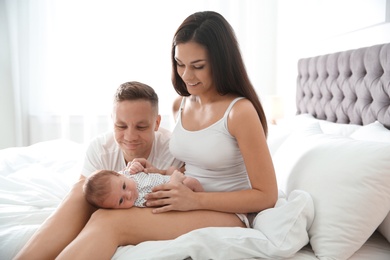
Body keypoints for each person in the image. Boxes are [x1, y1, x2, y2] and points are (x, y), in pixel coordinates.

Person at [29, 11, 278, 259]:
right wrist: (160, 174)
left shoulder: (240, 112)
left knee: (110, 222)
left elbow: (266, 195)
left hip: (228, 214)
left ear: (221, 62)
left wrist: (195, 200)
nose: (187, 76)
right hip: (183, 196)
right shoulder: (181, 104)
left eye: (198, 66)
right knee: (84, 190)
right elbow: (194, 165)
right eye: (180, 64)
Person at [14, 81, 183, 260]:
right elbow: (86, 202)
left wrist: (163, 173)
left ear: (156, 123)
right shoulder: (100, 149)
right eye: (121, 126)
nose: (130, 137)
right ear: (112, 121)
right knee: (82, 188)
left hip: (148, 214)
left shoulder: (174, 150)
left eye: (141, 127)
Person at [83, 167, 204, 209]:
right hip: (174, 189)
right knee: (192, 182)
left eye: (124, 186)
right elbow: (165, 198)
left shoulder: (127, 173)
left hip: (165, 177)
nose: (128, 194)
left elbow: (139, 169)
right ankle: (204, 203)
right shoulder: (141, 201)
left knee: (172, 168)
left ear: (118, 174)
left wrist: (136, 166)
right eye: (121, 201)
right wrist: (174, 182)